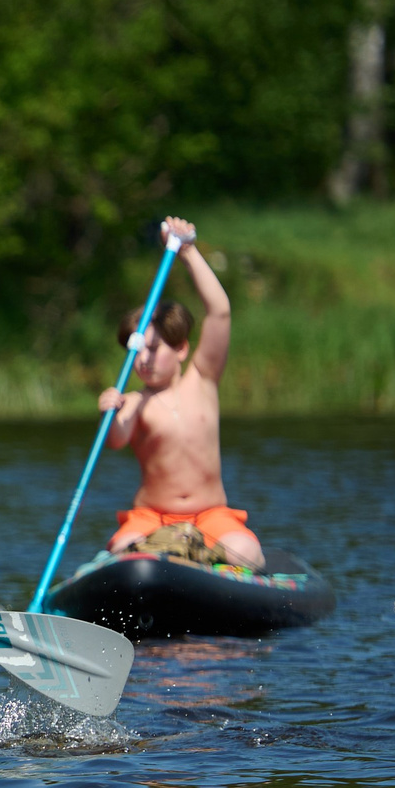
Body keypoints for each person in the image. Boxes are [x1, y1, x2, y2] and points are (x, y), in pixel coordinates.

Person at [95, 218, 267, 571]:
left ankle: (211, 575)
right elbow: (115, 440)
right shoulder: (132, 401)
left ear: (181, 350)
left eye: (154, 349)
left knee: (247, 553)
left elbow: (220, 312)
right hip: (153, 518)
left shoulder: (203, 379)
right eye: (136, 350)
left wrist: (187, 251)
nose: (143, 360)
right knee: (124, 552)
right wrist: (107, 413)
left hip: (211, 515)